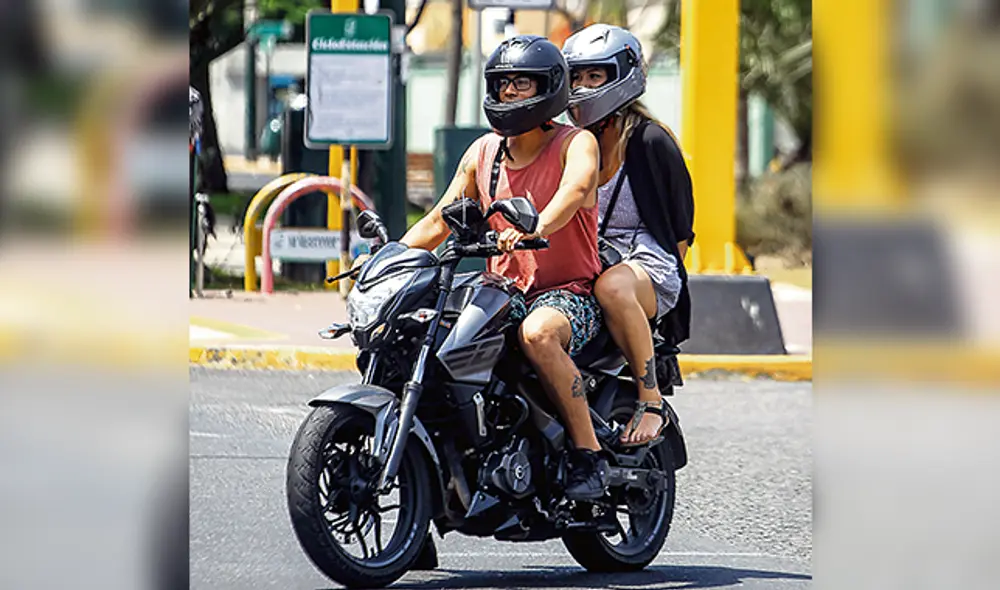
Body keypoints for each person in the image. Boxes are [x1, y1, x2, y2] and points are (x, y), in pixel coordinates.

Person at [399, 35, 611, 500]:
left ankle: (587, 454)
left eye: (523, 82)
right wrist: (388, 259)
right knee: (427, 334)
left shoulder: (577, 143)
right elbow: (440, 218)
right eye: (505, 83)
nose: (512, 92)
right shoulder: (483, 153)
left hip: (568, 292)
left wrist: (537, 224)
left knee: (538, 334)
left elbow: (574, 192)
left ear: (549, 88)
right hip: (501, 289)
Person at [562, 24, 695, 447]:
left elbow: (679, 234)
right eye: (576, 77)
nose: (582, 86)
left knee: (614, 287)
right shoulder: (565, 142)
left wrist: (651, 292)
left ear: (622, 75)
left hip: (646, 263)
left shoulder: (651, 141)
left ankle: (650, 400)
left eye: (594, 76)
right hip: (586, 257)